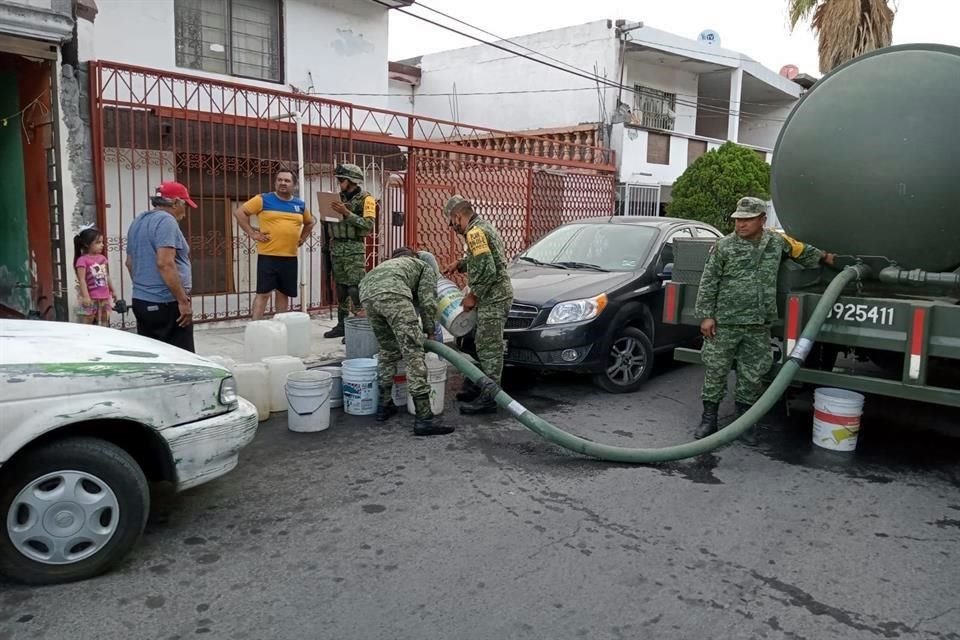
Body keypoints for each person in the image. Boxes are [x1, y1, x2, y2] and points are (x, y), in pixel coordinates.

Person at [693, 196, 836, 444]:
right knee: (716, 371)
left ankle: (744, 424)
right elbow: (708, 282)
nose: (741, 225)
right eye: (738, 220)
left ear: (762, 219)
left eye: (747, 220)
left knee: (753, 375)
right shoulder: (724, 246)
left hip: (758, 324)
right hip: (726, 322)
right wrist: (706, 316)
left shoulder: (776, 242)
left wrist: (827, 257)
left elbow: (803, 251)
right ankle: (709, 419)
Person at [359, 247, 452, 436]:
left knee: (387, 351)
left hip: (367, 293)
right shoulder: (421, 265)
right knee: (414, 355)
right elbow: (428, 302)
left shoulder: (385, 265)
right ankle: (424, 419)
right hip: (393, 294)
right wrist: (430, 331)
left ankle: (384, 406)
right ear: (414, 257)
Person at [442, 195, 514, 415]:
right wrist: (460, 264)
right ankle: (478, 384)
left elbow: (489, 270)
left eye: (451, 222)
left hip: (493, 298)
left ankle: (490, 397)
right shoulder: (480, 228)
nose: (452, 227)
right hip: (492, 296)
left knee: (489, 347)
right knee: (477, 343)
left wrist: (473, 296)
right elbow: (483, 259)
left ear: (458, 216)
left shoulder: (474, 233)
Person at [234, 169, 314, 320]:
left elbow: (310, 223)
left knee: (283, 293)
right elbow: (240, 213)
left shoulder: (299, 205)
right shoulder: (263, 199)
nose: (283, 183)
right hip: (268, 256)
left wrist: (303, 238)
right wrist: (252, 233)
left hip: (289, 257)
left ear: (294, 185)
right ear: (275, 182)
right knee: (263, 294)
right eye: (280, 180)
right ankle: (255, 326)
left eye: (287, 180)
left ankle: (280, 328)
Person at [125, 181, 196, 351]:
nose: (185, 212)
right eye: (184, 204)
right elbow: (165, 263)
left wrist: (146, 289)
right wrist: (182, 301)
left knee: (155, 356)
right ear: (175, 202)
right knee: (181, 359)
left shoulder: (139, 220)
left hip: (142, 301)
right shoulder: (166, 221)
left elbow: (129, 263)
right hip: (166, 304)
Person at [323, 163, 376, 339]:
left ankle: (359, 327)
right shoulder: (336, 198)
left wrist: (347, 213)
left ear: (352, 180)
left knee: (355, 289)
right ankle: (342, 325)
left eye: (342, 180)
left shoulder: (366, 199)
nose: (339, 183)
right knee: (341, 289)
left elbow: (368, 226)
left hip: (354, 248)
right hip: (336, 247)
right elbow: (328, 223)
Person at [74, 225, 116, 326]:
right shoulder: (82, 260)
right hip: (90, 298)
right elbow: (82, 280)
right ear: (86, 244)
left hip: (105, 297)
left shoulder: (102, 259)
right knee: (88, 320)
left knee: (105, 319)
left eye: (102, 242)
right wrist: (86, 297)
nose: (102, 245)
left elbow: (106, 276)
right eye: (98, 242)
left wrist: (113, 290)